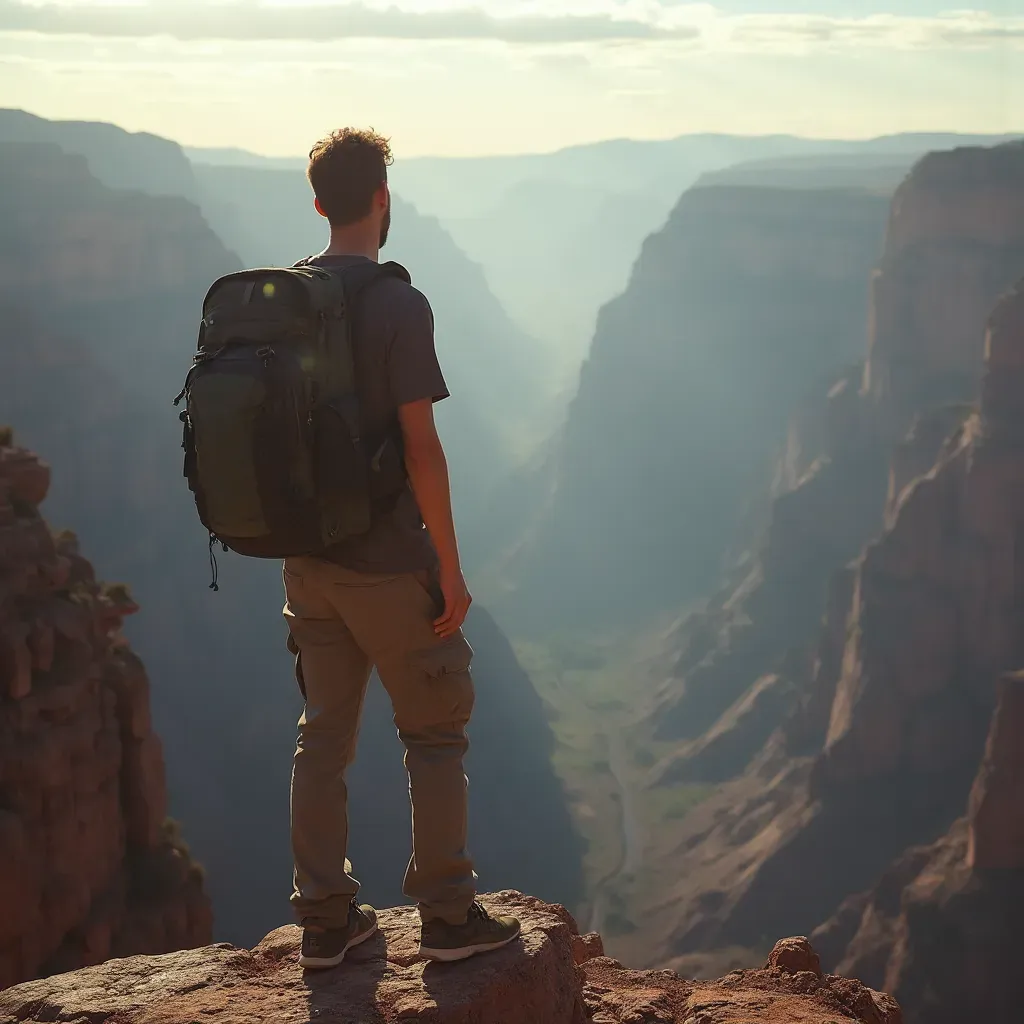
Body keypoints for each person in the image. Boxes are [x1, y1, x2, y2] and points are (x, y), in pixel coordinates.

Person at [282, 129, 521, 970]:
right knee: (433, 734)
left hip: (307, 563)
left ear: (318, 203)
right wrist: (448, 567)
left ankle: (324, 921)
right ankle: (450, 918)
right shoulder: (399, 304)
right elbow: (421, 447)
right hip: (387, 563)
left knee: (323, 736)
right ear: (383, 199)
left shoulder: (287, 298)